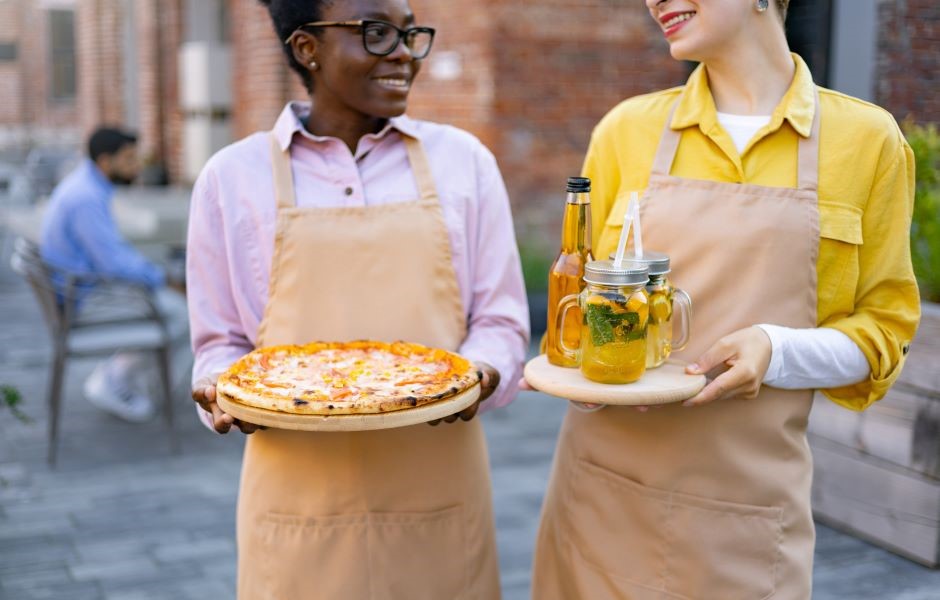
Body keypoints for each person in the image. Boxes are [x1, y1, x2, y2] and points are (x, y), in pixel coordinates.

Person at [530, 1, 920, 598]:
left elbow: (884, 335)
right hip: (603, 498)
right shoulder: (625, 130)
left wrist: (776, 348)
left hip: (746, 517)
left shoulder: (865, 142)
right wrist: (581, 372)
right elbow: (578, 301)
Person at [186, 0, 529, 597]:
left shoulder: (465, 163)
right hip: (296, 502)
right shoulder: (230, 178)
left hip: (438, 489)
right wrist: (219, 387)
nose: (401, 53)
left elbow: (500, 319)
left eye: (409, 34)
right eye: (375, 33)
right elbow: (220, 343)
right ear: (306, 48)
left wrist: (480, 372)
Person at [40, 127, 189, 423]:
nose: (137, 165)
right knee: (185, 315)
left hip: (82, 291)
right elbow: (113, 263)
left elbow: (113, 255)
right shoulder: (85, 197)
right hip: (83, 300)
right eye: (129, 158)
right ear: (106, 161)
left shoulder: (87, 185)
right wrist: (164, 279)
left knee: (176, 306)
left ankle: (126, 379)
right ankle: (118, 381)